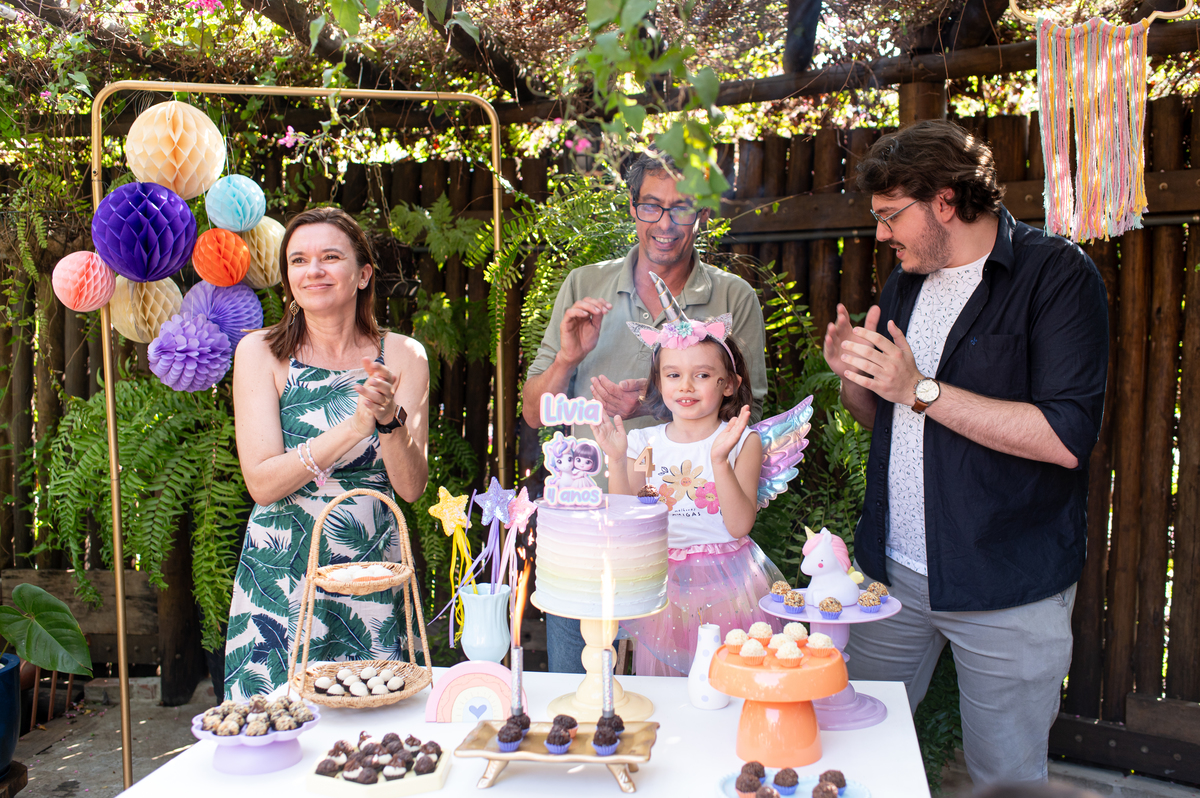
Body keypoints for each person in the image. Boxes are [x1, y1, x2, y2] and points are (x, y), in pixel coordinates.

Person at [825, 121, 1109, 785]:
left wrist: (919, 389)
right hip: (889, 576)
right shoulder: (906, 282)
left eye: (891, 215)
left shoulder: (1057, 276)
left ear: (945, 201)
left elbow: (1065, 438)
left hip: (1007, 585)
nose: (880, 234)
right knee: (849, 758)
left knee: (1005, 781)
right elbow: (887, 419)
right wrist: (855, 379)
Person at [523, 147, 769, 673]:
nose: (665, 223)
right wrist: (568, 357)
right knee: (582, 682)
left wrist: (652, 405)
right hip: (589, 521)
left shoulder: (733, 297)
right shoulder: (585, 285)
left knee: (686, 687)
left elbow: (746, 412)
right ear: (632, 207)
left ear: (703, 213)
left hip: (691, 541)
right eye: (651, 206)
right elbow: (533, 412)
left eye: (682, 208)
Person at [224, 207, 430, 699]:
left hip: (369, 565)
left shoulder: (403, 355)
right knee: (278, 716)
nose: (312, 270)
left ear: (363, 274)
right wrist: (354, 427)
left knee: (373, 715)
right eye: (298, 260)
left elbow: (410, 488)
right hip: (284, 566)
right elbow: (263, 484)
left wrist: (389, 422)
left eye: (330, 257)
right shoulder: (260, 352)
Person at [589, 305, 784, 677]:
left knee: (728, 677)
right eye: (673, 374)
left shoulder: (743, 442)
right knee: (667, 682)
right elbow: (627, 520)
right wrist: (615, 459)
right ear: (659, 383)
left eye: (703, 375)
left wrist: (719, 460)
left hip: (728, 583)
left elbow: (739, 525)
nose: (686, 386)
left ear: (729, 384)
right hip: (663, 582)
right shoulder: (643, 443)